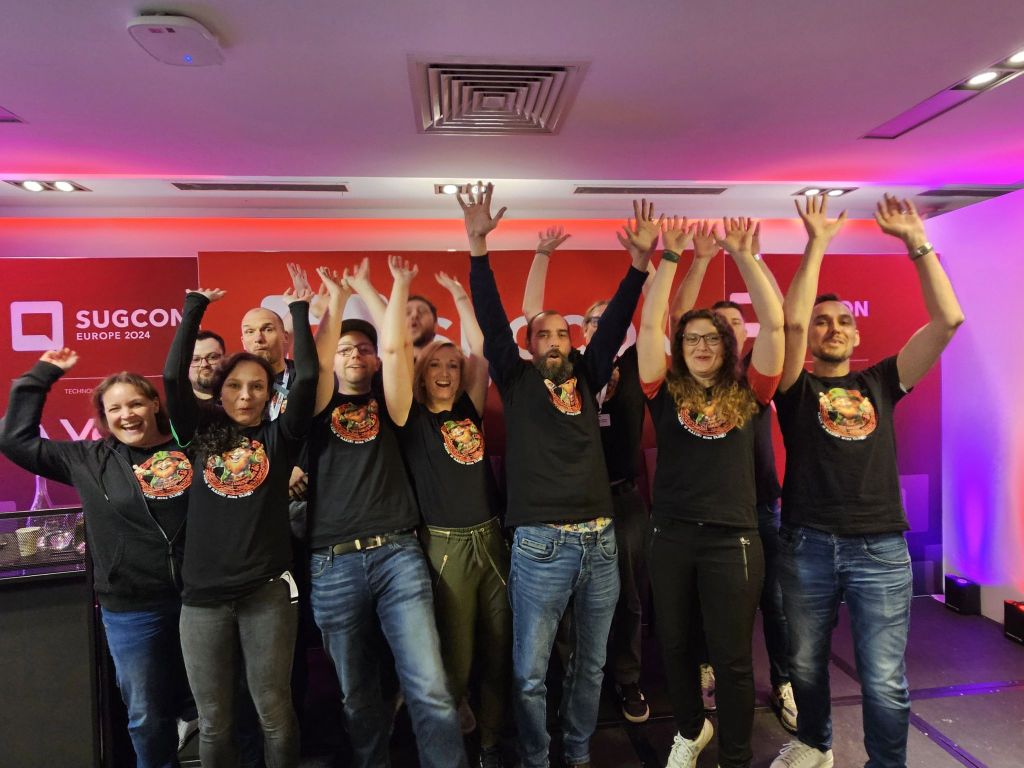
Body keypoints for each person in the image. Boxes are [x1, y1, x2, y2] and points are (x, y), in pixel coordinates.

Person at [769, 195, 964, 768]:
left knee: (884, 679)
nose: (832, 328)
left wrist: (916, 242)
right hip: (806, 544)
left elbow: (948, 321)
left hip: (879, 547)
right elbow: (791, 322)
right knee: (805, 667)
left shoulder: (882, 381)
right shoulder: (793, 388)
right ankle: (816, 745)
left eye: (843, 321)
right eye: (823, 321)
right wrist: (817, 243)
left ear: (857, 337)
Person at [463, 183, 648, 768]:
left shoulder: (588, 377)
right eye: (541, 334)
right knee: (530, 672)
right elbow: (492, 318)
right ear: (528, 344)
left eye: (560, 334)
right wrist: (478, 248)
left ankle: (578, 752)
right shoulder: (516, 381)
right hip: (540, 545)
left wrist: (639, 267)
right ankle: (537, 758)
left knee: (590, 665)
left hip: (601, 542)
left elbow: (614, 324)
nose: (551, 341)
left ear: (572, 342)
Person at [305, 259, 467, 768]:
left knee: (429, 684)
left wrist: (392, 286)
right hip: (333, 562)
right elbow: (316, 365)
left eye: (363, 349)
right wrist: (335, 303)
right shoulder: (313, 411)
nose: (354, 355)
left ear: (375, 362)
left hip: (398, 554)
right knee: (357, 694)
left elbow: (396, 348)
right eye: (345, 349)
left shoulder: (393, 406)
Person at [637, 215, 784, 768]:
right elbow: (649, 327)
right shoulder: (664, 389)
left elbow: (776, 329)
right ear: (681, 346)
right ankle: (690, 731)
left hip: (733, 541)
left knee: (732, 659)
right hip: (671, 537)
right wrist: (671, 258)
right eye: (691, 338)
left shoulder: (752, 392)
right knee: (675, 647)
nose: (701, 345)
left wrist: (743, 255)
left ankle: (736, 756)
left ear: (727, 345)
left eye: (711, 337)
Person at [0, 351, 191, 768]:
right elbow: (13, 439)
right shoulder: (85, 459)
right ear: (104, 417)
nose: (127, 415)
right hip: (131, 608)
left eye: (136, 403)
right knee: (147, 715)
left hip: (200, 600)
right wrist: (41, 376)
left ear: (154, 404)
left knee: (217, 703)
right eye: (115, 408)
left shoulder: (189, 448)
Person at [164, 284, 320, 768]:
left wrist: (298, 310)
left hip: (266, 594)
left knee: (274, 712)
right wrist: (194, 308)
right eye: (235, 386)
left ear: (271, 393)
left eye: (257, 386)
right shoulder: (199, 434)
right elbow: (171, 377)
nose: (246, 395)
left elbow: (309, 376)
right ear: (220, 391)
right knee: (214, 721)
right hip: (203, 599)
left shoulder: (281, 436)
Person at [521, 217, 655, 724]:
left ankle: (627, 678)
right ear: (583, 332)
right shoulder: (567, 374)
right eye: (593, 321)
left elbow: (651, 316)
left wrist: (649, 265)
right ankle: (576, 683)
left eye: (609, 319)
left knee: (629, 600)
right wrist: (542, 256)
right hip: (571, 509)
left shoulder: (637, 367)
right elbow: (531, 318)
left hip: (621, 499)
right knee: (570, 607)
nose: (601, 325)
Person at [669, 221, 797, 732]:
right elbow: (676, 320)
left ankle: (783, 682)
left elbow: (779, 324)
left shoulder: (755, 377)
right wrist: (699, 259)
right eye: (710, 330)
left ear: (739, 336)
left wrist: (748, 257)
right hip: (712, 517)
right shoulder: (691, 379)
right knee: (708, 607)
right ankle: (708, 672)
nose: (717, 337)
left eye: (729, 327)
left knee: (776, 604)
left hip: (762, 507)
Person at [400, 269, 511, 767]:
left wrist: (462, 297)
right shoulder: (410, 417)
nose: (445, 371)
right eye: (434, 365)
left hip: (491, 540)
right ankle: (449, 749)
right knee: (457, 659)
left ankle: (490, 745)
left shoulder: (468, 408)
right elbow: (396, 357)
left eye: (451, 364)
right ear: (421, 373)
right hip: (445, 548)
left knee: (499, 650)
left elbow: (481, 352)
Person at [189, 330, 226, 401]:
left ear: (225, 359)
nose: (204, 364)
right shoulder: (177, 404)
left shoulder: (241, 398)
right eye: (196, 359)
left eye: (212, 357)